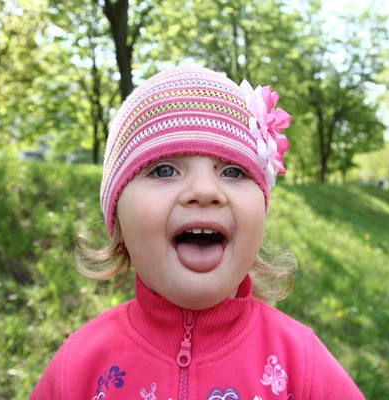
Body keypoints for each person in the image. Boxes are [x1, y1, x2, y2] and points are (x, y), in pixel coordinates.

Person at [30, 66, 364, 400]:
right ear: (118, 222)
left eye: (232, 171)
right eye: (164, 169)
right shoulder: (78, 366)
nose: (205, 191)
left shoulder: (300, 363)